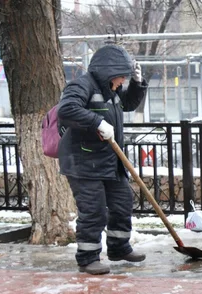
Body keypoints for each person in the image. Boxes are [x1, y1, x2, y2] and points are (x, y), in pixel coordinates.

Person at [57, 44, 148, 275]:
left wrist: (138, 84)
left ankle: (119, 248)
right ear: (109, 71)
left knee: (122, 203)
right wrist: (96, 122)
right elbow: (67, 109)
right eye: (122, 77)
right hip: (83, 162)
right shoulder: (82, 85)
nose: (122, 82)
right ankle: (88, 258)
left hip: (109, 161)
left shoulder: (111, 90)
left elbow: (128, 104)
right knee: (94, 210)